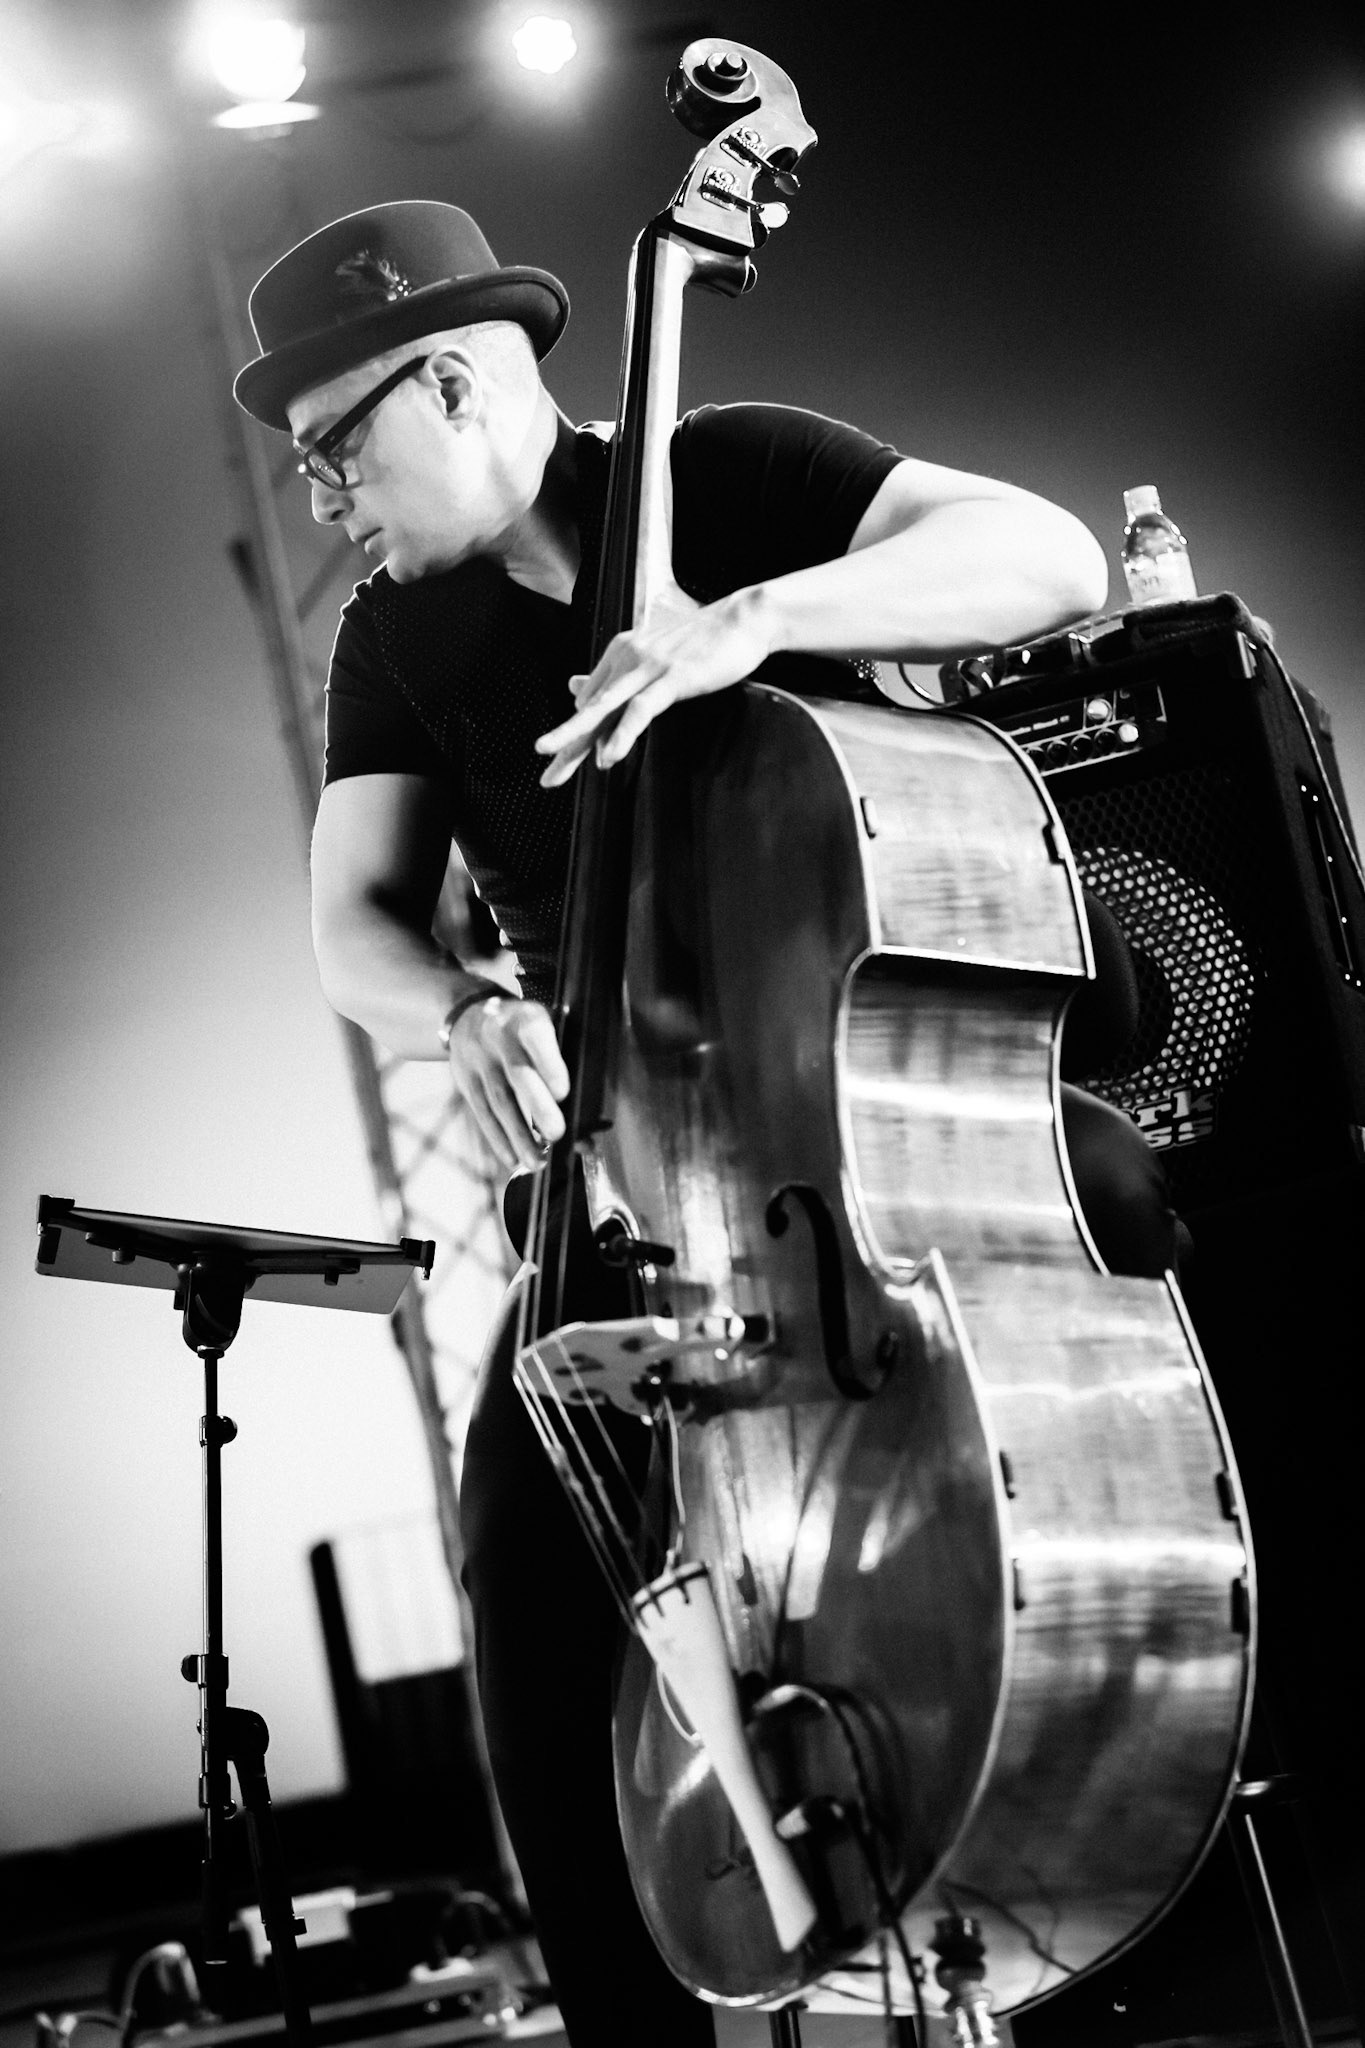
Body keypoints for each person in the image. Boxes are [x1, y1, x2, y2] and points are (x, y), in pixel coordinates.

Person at [233, 200, 1176, 2047]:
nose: (322, 502)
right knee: (520, 1537)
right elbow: (353, 924)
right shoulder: (393, 640)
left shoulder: (729, 474)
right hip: (641, 1180)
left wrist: (749, 624)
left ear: (450, 382)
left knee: (1126, 1208)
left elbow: (1046, 554)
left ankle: (1124, 1875)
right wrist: (466, 1008)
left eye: (334, 452)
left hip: (874, 1111)